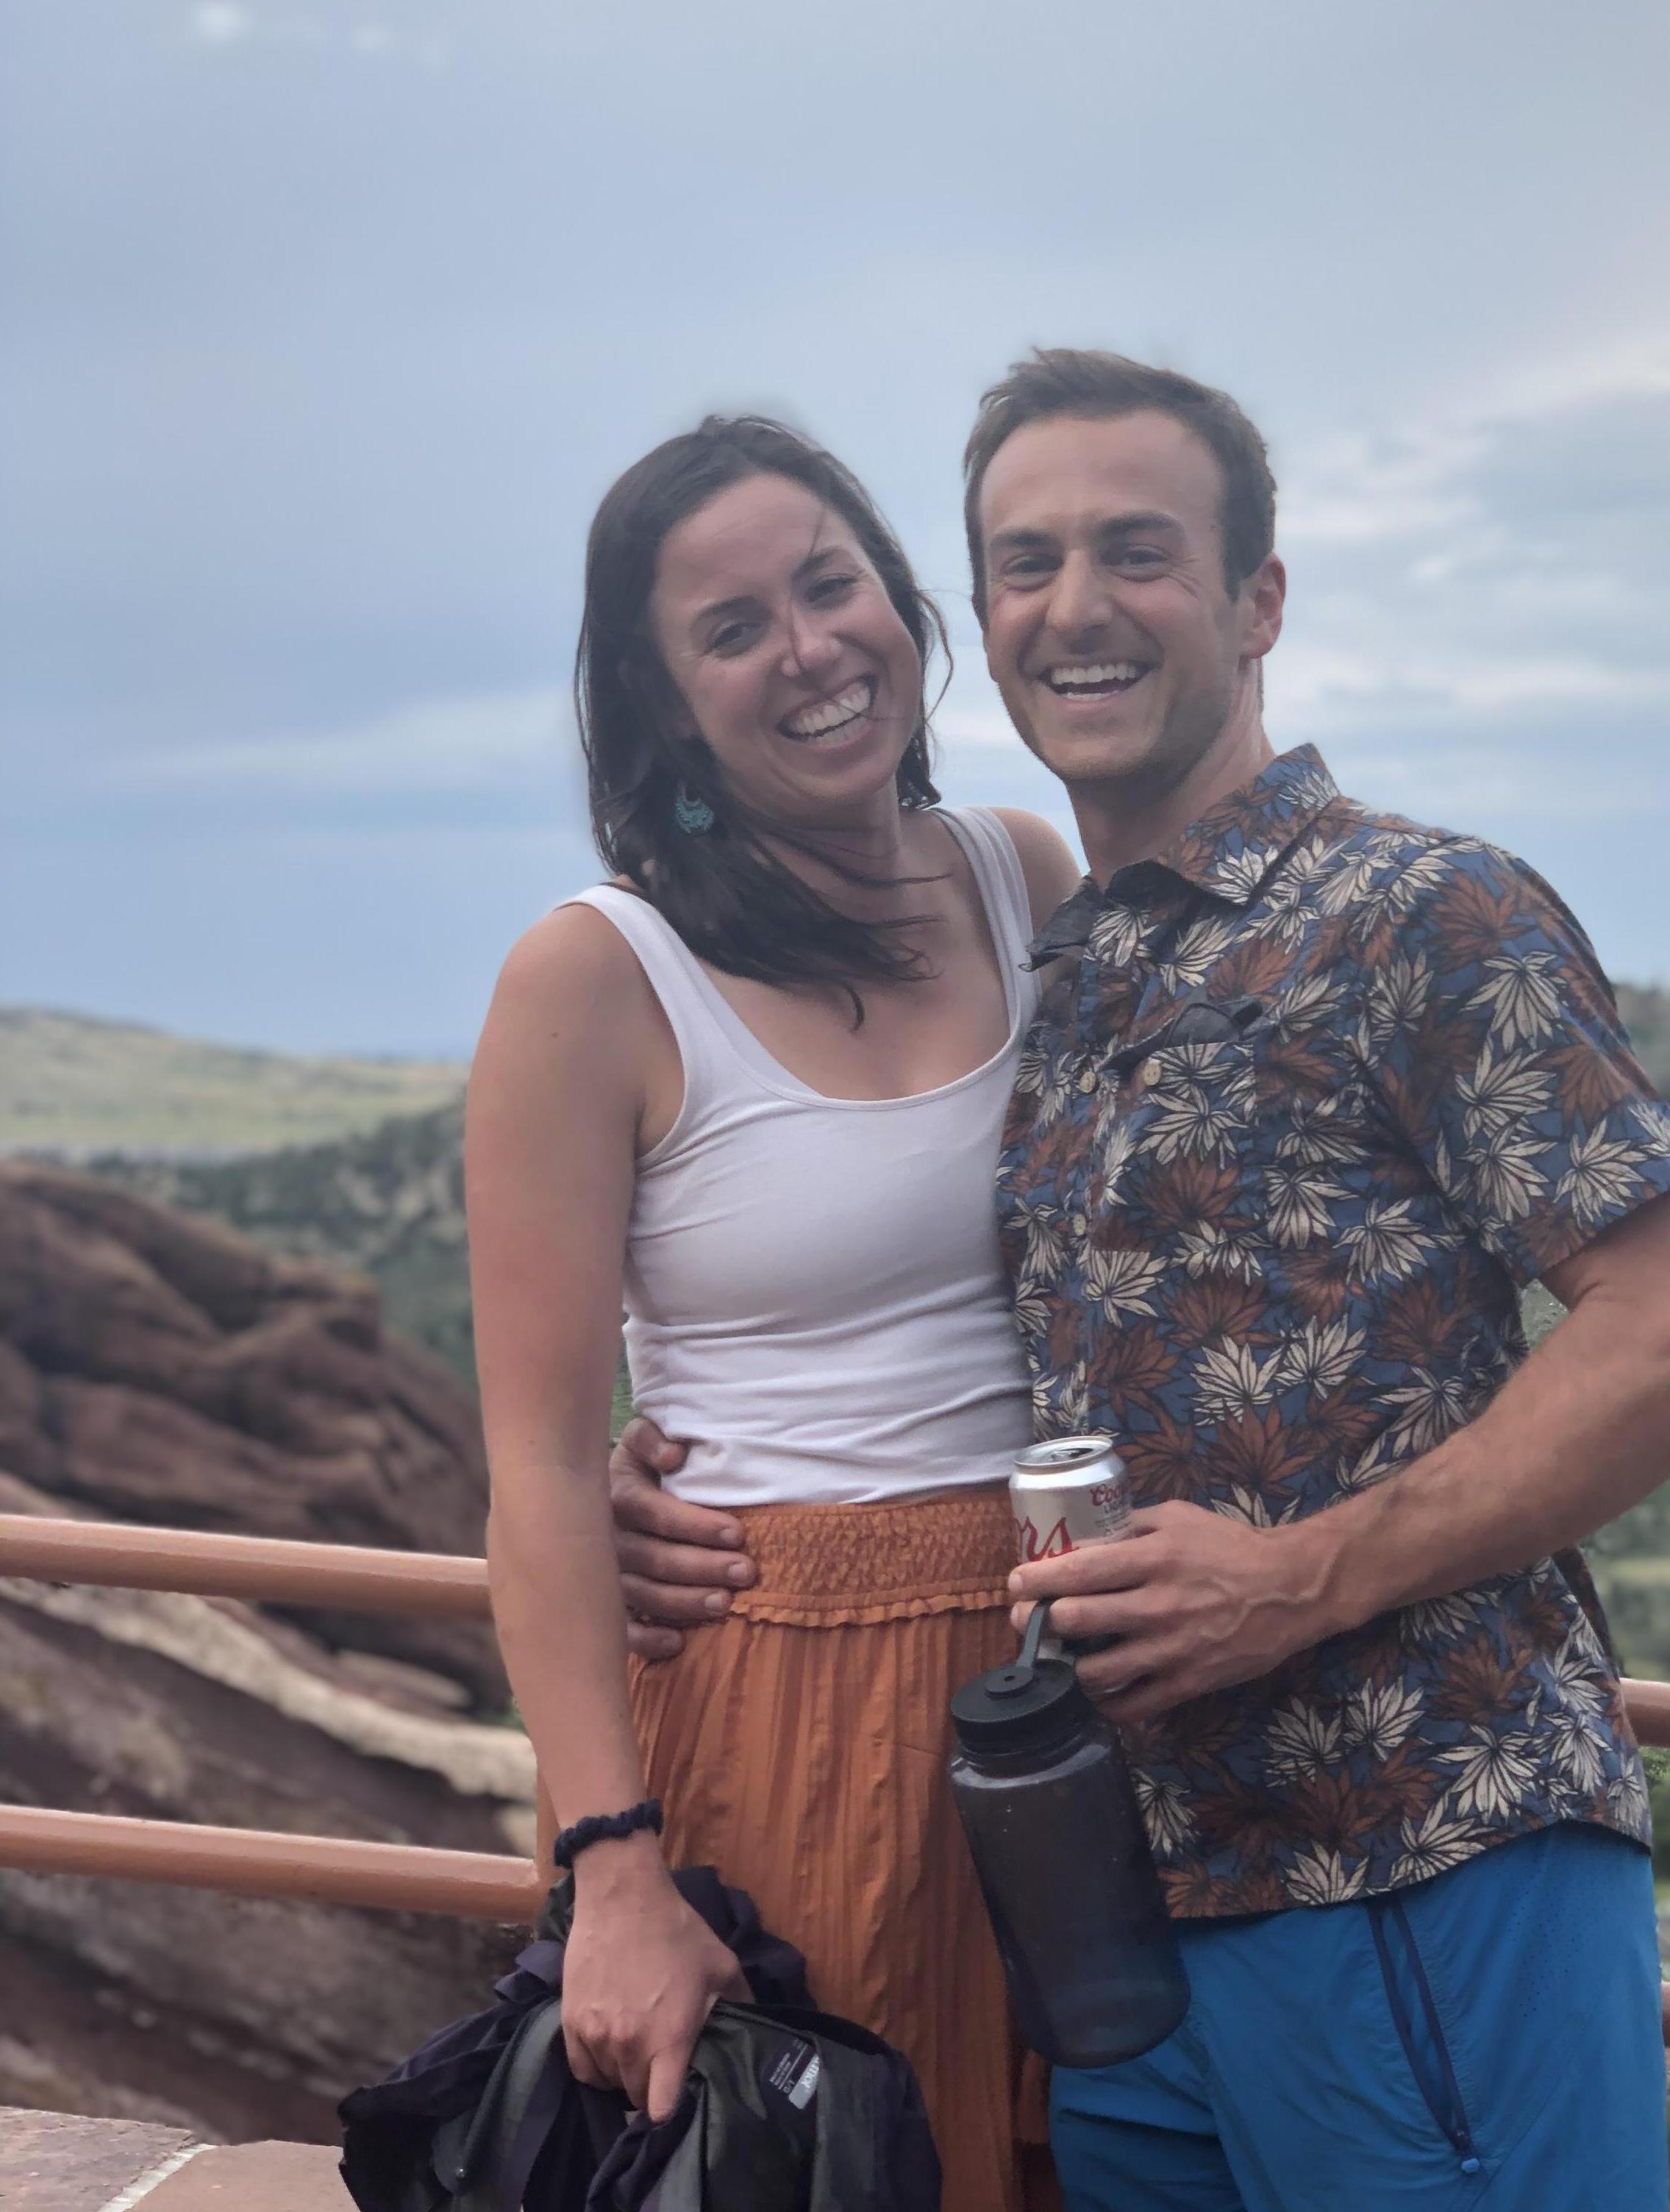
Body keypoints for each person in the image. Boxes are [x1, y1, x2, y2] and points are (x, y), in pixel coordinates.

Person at [613, 352, 1670, 2211]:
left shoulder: (1419, 912)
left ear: (1257, 601)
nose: (1074, 605)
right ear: (982, 620)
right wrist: (677, 1464)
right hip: (1133, 1935)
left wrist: (1304, 1575)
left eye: (1136, 552)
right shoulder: (1067, 968)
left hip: (1421, 1850)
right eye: (1026, 561)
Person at [465, 413, 1077, 2212]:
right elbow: (535, 1462)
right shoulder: (596, 976)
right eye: (732, 629)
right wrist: (612, 1869)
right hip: (780, 1685)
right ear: (660, 704)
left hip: (1067, 1673)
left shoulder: (1024, 876)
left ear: (900, 599)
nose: (810, 650)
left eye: (831, 585)